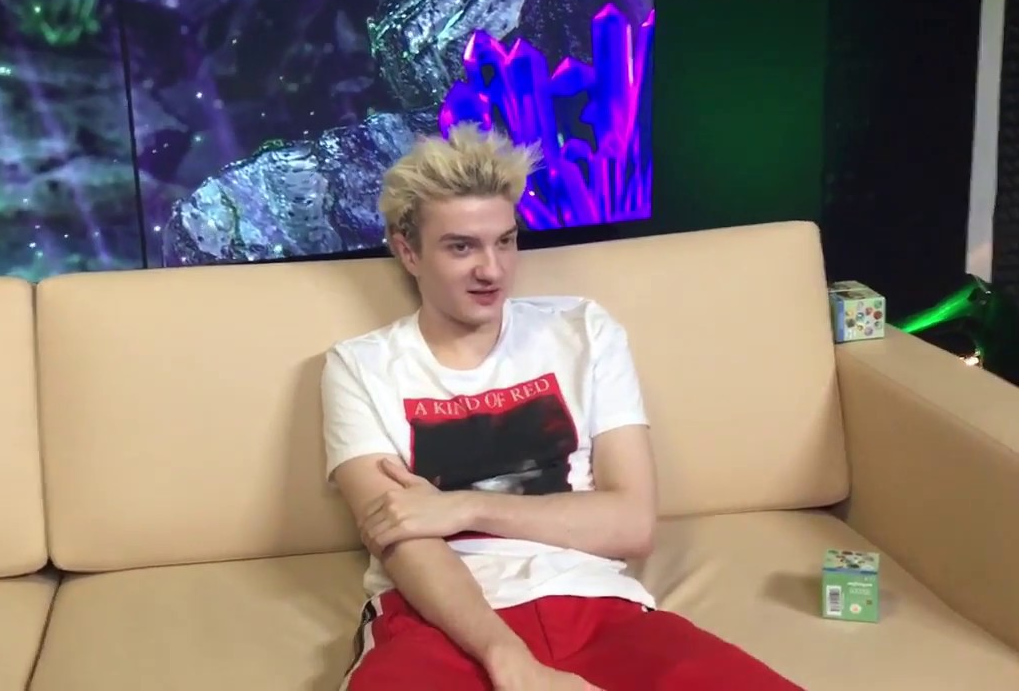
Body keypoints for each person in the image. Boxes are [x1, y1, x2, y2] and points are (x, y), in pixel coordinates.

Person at [320, 123, 803, 691]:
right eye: (461, 247)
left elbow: (631, 523)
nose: (492, 270)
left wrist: (462, 508)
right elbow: (401, 536)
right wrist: (508, 657)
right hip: (436, 618)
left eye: (505, 241)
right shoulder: (360, 366)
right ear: (408, 251)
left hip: (594, 604)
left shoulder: (583, 331)